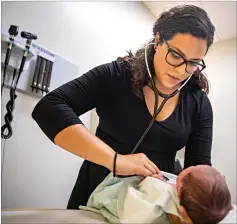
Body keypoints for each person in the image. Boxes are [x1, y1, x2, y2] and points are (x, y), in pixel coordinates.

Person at [32, 4, 215, 209]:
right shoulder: (117, 75)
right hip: (99, 193)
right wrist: (115, 160)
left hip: (154, 205)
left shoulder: (198, 103)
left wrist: (209, 190)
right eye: (175, 55)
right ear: (157, 41)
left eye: (193, 63)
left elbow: (198, 169)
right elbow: (49, 108)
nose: (182, 71)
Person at [79, 165, 232, 224]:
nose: (192, 165)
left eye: (192, 168)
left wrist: (148, 181)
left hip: (125, 205)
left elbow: (135, 212)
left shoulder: (161, 194)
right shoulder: (194, 207)